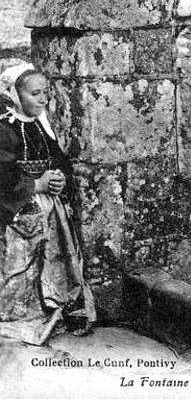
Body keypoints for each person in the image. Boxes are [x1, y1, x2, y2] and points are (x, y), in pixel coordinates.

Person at [0, 63, 96, 345]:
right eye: (35, 94)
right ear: (16, 95)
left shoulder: (42, 127)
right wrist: (35, 185)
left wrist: (58, 179)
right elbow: (2, 173)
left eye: (45, 93)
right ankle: (20, 313)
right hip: (20, 211)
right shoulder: (5, 130)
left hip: (51, 209)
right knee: (22, 264)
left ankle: (53, 305)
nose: (42, 100)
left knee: (54, 257)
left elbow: (57, 160)